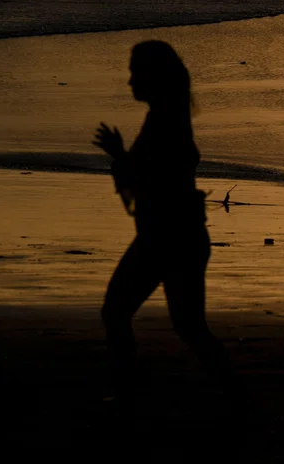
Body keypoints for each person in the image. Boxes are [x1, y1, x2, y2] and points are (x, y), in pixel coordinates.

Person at [93, 40, 235, 410]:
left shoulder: (166, 121)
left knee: (121, 312)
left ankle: (129, 392)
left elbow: (150, 179)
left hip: (167, 238)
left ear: (153, 77)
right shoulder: (167, 116)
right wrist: (123, 157)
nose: (130, 81)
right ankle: (233, 393)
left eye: (136, 73)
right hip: (175, 236)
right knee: (187, 325)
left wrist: (119, 156)